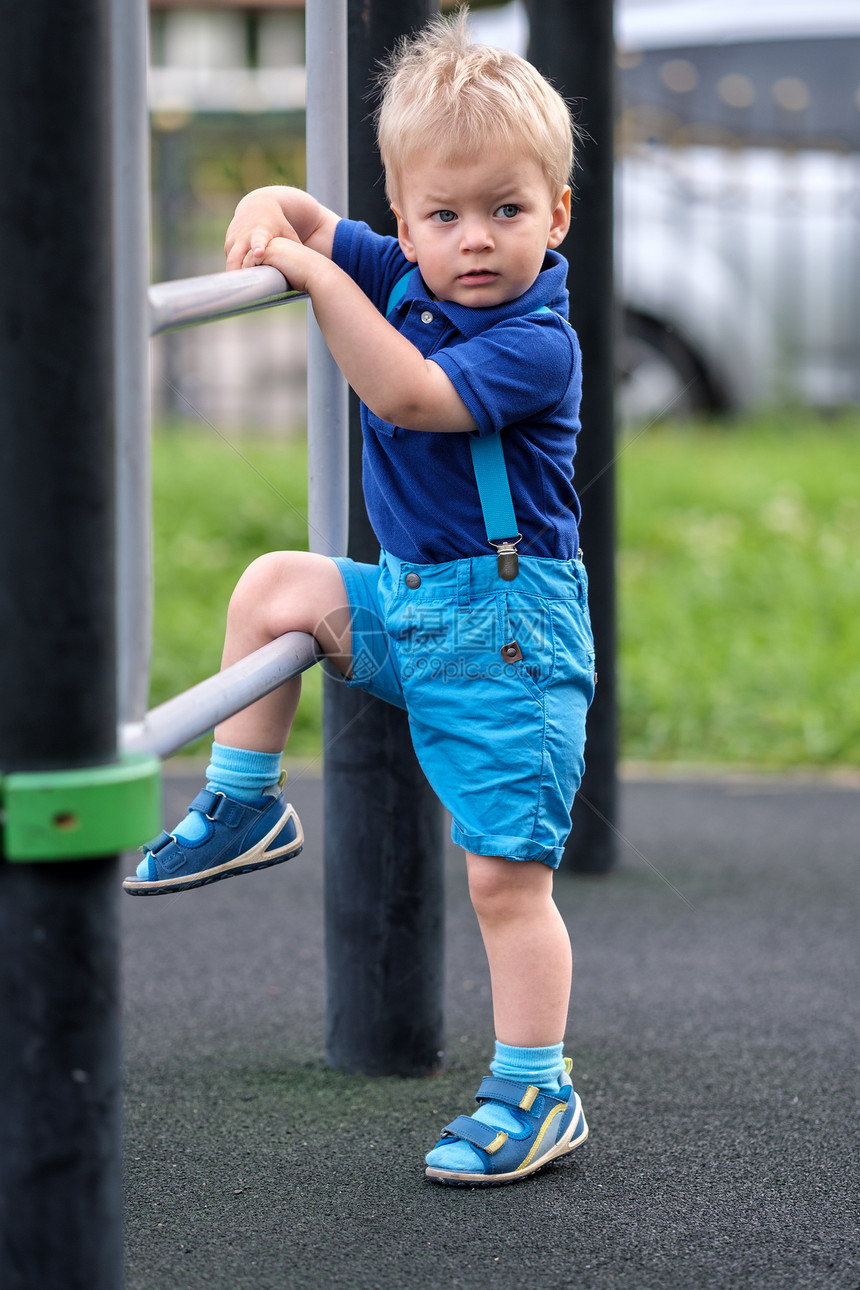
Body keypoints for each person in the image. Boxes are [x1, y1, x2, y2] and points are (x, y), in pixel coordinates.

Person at [125, 7, 596, 1188]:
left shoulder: (537, 339)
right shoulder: (403, 264)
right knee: (273, 582)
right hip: (413, 606)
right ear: (405, 219)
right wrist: (269, 217)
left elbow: (403, 395)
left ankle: (537, 1087)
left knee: (502, 877)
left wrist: (315, 274)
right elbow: (295, 210)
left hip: (507, 641)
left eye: (505, 210)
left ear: (556, 215)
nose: (472, 242)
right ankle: (243, 801)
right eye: (441, 216)